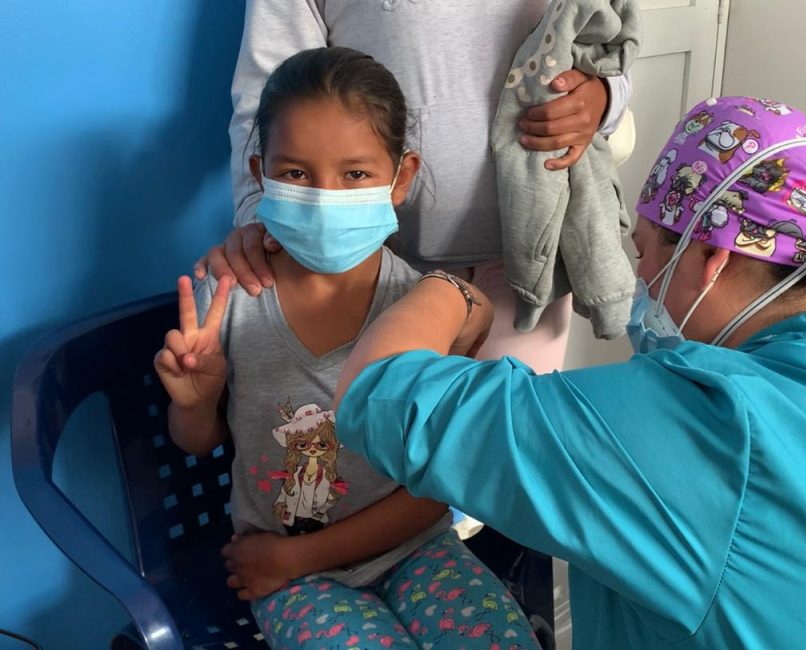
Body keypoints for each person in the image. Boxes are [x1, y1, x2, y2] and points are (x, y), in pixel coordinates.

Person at [331, 97, 806, 648]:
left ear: (713, 257)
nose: (639, 277)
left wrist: (451, 290)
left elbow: (377, 394)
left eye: (646, 250)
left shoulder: (707, 423)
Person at [154, 47, 539, 649]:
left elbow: (434, 488)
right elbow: (196, 441)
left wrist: (298, 557)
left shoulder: (423, 314)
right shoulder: (225, 301)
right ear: (259, 173)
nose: (322, 196)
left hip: (413, 549)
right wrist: (195, 402)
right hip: (286, 575)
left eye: (355, 174)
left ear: (401, 178)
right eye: (295, 173)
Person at [198, 0, 634, 376]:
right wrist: (262, 216)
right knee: (359, 432)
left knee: (506, 433)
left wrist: (603, 98)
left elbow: (602, 43)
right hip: (370, 264)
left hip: (529, 261)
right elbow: (271, 91)